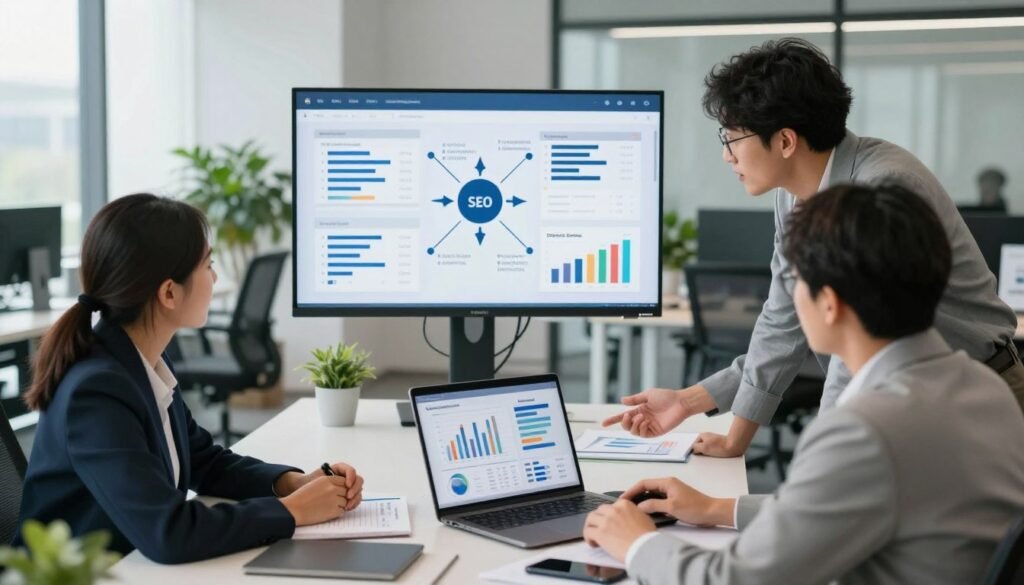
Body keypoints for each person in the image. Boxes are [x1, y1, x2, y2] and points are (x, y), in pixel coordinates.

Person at [583, 183, 1024, 585]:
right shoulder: (985, 388)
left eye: (796, 285)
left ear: (828, 304)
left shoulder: (864, 431)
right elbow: (854, 506)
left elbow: (735, 580)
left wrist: (637, 543)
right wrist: (716, 508)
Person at [604, 37, 1024, 457]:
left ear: (785, 141)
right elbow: (782, 319)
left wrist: (818, 468)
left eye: (732, 138)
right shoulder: (795, 193)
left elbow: (855, 349)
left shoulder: (880, 188)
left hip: (974, 398)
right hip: (909, 399)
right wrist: (714, 421)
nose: (727, 156)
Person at [13, 194, 364, 564]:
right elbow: (170, 533)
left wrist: (290, 484)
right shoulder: (97, 391)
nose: (214, 278)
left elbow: (202, 461)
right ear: (168, 292)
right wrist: (294, 512)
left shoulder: (143, 360)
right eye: (208, 265)